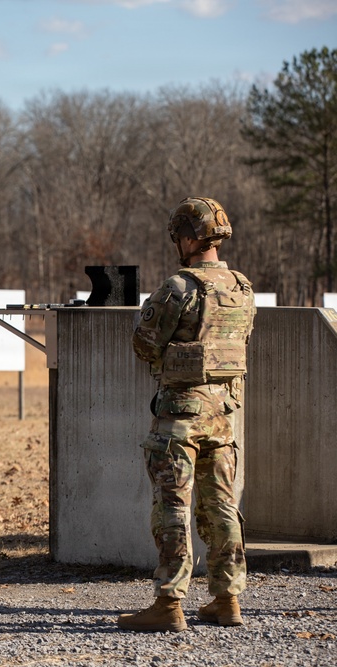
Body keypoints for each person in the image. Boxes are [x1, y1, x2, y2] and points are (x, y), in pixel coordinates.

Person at [119, 197, 256, 633]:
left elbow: (144, 344)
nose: (178, 242)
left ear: (192, 237)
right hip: (224, 413)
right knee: (222, 506)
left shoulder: (179, 287)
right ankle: (226, 598)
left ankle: (168, 603)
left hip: (179, 415)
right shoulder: (242, 287)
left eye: (180, 234)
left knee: (173, 506)